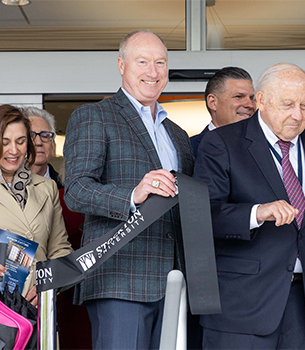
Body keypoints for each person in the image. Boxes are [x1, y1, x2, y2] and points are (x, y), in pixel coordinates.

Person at [64, 29, 195, 349]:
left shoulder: (177, 133)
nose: (153, 72)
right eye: (143, 61)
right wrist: (132, 195)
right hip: (119, 278)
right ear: (122, 65)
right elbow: (76, 189)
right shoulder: (94, 115)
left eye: (161, 63)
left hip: (175, 282)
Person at [194, 63, 305, 349]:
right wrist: (257, 213)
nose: (298, 115)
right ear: (261, 101)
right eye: (287, 105)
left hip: (303, 303)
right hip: (241, 305)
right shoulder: (222, 143)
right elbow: (202, 215)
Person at [0, 104, 72, 305]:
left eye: (21, 141)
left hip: (35, 307)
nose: (13, 150)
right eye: (4, 142)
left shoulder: (47, 188)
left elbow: (60, 249)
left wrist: (50, 285)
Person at [22, 106, 92, 348]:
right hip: (14, 304)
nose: (40, 142)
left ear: (53, 145)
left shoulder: (75, 194)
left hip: (70, 304)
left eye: (46, 135)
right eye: (31, 135)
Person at [189, 66, 255, 156]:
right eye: (238, 97)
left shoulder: (263, 147)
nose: (250, 105)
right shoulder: (189, 149)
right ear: (213, 102)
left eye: (252, 98)